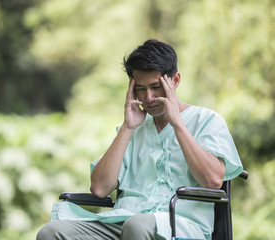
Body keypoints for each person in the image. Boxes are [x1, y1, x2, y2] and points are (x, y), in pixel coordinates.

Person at [37, 39, 243, 240]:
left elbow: (213, 181)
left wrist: (177, 124)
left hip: (180, 226)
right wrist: (127, 127)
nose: (149, 98)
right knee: (51, 232)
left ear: (175, 81)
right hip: (122, 222)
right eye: (141, 89)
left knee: (137, 225)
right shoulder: (133, 129)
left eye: (156, 87)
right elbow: (99, 188)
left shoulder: (207, 121)